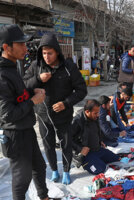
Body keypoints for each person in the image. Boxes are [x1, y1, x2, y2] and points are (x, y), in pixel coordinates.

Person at [0, 24, 52, 200]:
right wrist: (33, 101)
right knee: (21, 174)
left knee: (39, 166)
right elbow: (7, 113)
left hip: (26, 128)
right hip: (14, 133)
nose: (26, 48)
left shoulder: (12, 66)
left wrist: (32, 92)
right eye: (21, 44)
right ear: (6, 47)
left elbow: (17, 96)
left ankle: (44, 198)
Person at [24, 32, 87, 185]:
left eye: (50, 53)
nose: (46, 56)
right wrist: (38, 79)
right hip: (43, 115)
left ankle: (66, 171)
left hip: (63, 115)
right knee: (48, 145)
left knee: (66, 144)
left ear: (57, 52)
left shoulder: (68, 67)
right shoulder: (36, 66)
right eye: (44, 53)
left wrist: (66, 103)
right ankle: (54, 170)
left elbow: (81, 90)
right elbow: (24, 86)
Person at [71, 99, 120, 174]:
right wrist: (80, 149)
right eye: (95, 113)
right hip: (85, 154)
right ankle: (89, 163)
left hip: (97, 149)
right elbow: (67, 140)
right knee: (101, 169)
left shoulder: (95, 118)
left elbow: (96, 131)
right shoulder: (77, 121)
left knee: (117, 159)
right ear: (87, 111)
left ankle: (97, 160)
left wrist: (100, 141)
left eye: (98, 112)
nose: (98, 115)